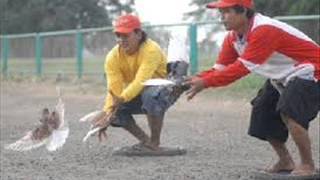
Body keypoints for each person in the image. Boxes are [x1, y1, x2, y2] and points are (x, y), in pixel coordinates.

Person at [185, 0, 320, 176]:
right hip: (284, 75)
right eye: (221, 13)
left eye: (227, 12)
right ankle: (285, 161)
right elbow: (220, 70)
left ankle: (308, 165)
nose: (222, 18)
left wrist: (205, 83)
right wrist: (193, 80)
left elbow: (241, 69)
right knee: (262, 110)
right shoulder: (233, 37)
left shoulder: (264, 29)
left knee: (290, 111)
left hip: (312, 69)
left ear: (243, 11)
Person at [97, 14, 168, 152]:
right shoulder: (113, 57)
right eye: (118, 36)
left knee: (150, 93)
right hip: (141, 91)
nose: (121, 40)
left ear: (139, 34)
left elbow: (141, 81)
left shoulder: (151, 50)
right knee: (115, 111)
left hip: (165, 91)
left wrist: (121, 99)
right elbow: (114, 90)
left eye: (125, 36)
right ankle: (147, 142)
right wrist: (107, 115)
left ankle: (154, 142)